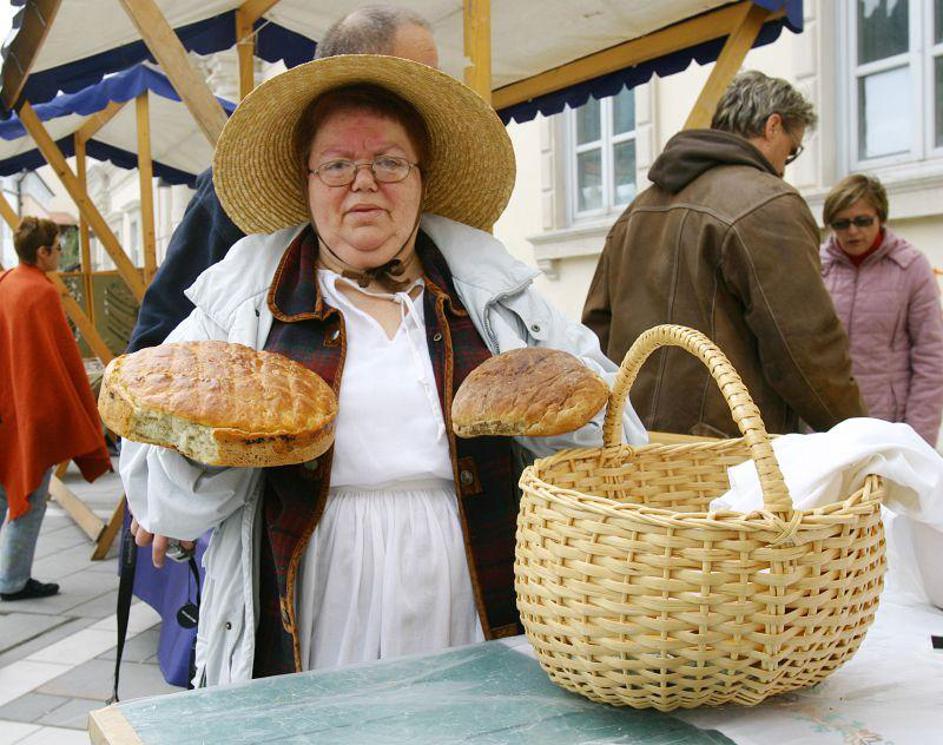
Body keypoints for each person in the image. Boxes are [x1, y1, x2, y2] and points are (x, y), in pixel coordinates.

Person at [120, 54, 646, 687]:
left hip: (473, 582)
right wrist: (202, 447)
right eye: (338, 164)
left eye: (389, 163)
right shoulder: (239, 307)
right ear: (306, 182)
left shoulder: (496, 296)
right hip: (313, 593)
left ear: (422, 179)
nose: (363, 181)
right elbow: (161, 490)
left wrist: (561, 421)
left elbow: (619, 438)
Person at [126, 5, 439, 355]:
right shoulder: (232, 197)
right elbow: (155, 343)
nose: (428, 101)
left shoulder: (453, 247)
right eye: (416, 84)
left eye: (389, 162)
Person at [582, 70, 866, 438]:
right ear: (772, 126)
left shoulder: (636, 210)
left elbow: (595, 331)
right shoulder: (769, 203)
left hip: (635, 447)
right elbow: (806, 350)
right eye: (791, 151)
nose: (784, 166)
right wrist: (862, 435)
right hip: (725, 460)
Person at [0, 217, 111, 601]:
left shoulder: (6, 283)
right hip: (32, 412)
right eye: (58, 248)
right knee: (28, 499)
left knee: (3, 494)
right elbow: (58, 360)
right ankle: (12, 580)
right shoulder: (41, 292)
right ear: (42, 252)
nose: (61, 254)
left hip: (7, 407)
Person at [820, 174, 943, 446]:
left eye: (863, 221)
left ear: (881, 217)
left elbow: (931, 356)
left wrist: (918, 438)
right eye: (841, 223)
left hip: (889, 423)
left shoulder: (911, 267)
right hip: (827, 422)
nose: (852, 231)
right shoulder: (815, 266)